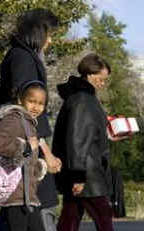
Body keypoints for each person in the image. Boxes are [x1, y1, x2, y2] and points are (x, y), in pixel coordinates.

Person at [0, 8, 61, 231]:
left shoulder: (21, 56)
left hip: (23, 148)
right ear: (38, 33)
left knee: (17, 212)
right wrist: (46, 151)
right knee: (29, 208)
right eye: (49, 34)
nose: (50, 41)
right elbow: (27, 110)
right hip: (25, 148)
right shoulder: (23, 59)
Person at [53, 53, 118, 231]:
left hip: (82, 170)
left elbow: (84, 135)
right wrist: (78, 177)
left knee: (70, 218)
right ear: (89, 74)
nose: (102, 83)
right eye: (101, 79)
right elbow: (78, 139)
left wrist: (109, 134)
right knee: (103, 217)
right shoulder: (83, 100)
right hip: (87, 174)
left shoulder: (80, 98)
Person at [0, 80, 49, 231]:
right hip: (15, 195)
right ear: (20, 100)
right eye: (31, 101)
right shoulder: (14, 118)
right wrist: (27, 147)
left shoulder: (29, 123)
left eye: (41, 103)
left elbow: (25, 159)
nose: (36, 107)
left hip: (25, 196)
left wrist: (37, 167)